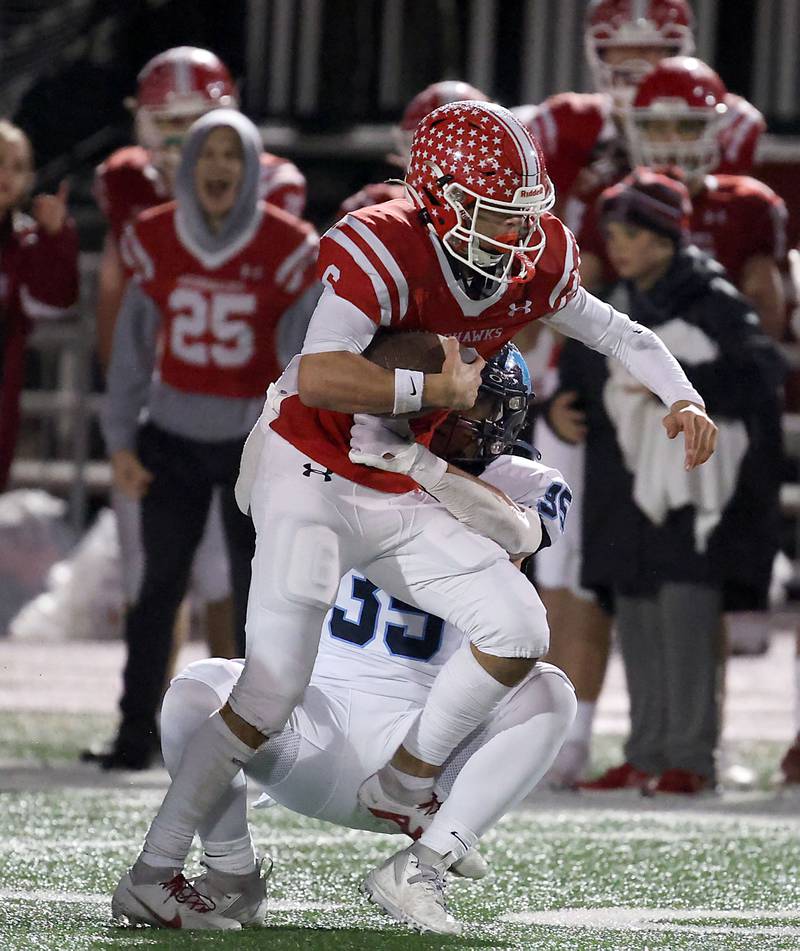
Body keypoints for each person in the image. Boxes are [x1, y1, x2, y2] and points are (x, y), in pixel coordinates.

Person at [114, 99, 716, 933]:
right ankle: (189, 869)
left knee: (520, 628)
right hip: (315, 470)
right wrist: (428, 396)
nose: (514, 238)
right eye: (495, 217)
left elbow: (610, 341)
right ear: (438, 199)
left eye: (521, 218)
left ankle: (411, 805)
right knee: (252, 686)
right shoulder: (386, 245)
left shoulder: (501, 403)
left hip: (399, 542)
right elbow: (321, 374)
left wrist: (681, 395)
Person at [112, 345, 578, 934]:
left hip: (433, 759)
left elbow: (519, 533)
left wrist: (419, 466)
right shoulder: (347, 450)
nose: (468, 416)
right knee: (193, 693)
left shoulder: (523, 478)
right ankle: (231, 874)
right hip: (311, 731)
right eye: (458, 396)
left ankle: (424, 863)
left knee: (551, 692)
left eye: (482, 402)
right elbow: (253, 492)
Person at [513, 8, 768, 784]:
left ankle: (689, 747)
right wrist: (547, 392)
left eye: (649, 58)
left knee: (688, 591)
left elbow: (758, 343)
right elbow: (586, 316)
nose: (630, 78)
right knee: (606, 576)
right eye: (618, 60)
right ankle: (609, 741)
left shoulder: (733, 216)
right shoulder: (571, 135)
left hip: (692, 443)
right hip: (608, 423)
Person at [547, 171, 784, 794]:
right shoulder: (616, 300)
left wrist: (677, 395)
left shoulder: (714, 300)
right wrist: (557, 412)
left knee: (685, 615)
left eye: (630, 233)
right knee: (639, 615)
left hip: (693, 490)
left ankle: (689, 754)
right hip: (623, 490)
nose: (617, 246)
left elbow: (760, 376)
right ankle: (648, 750)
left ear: (663, 236)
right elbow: (576, 377)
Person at [97, 109, 320, 771]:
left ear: (252, 166)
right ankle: (135, 730)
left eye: (232, 154)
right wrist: (120, 441)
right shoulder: (154, 234)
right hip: (171, 430)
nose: (219, 166)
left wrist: (298, 446)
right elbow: (134, 354)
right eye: (208, 152)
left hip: (254, 438)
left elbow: (301, 360)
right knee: (159, 584)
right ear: (188, 162)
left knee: (263, 590)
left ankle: (261, 734)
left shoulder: (288, 244)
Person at [0, 121, 79, 491]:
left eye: (18, 167)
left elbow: (54, 300)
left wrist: (56, 237)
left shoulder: (26, 242)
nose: (7, 175)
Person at [336, 80, 490, 218]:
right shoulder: (375, 206)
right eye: (423, 146)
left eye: (456, 148)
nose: (437, 163)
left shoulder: (507, 216)